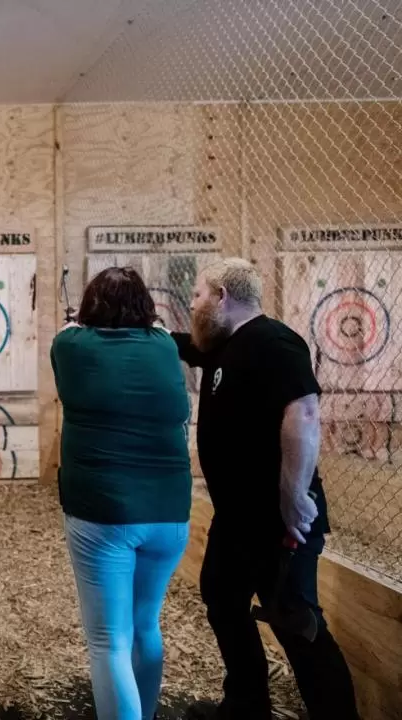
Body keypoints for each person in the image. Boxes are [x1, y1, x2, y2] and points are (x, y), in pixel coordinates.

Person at [169, 258, 360, 720]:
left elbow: (304, 415)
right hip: (238, 520)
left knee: (296, 623)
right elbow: (187, 346)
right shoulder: (225, 346)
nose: (192, 305)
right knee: (221, 596)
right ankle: (246, 704)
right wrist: (134, 326)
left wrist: (294, 497)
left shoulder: (273, 341)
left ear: (221, 296)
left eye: (196, 296)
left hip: (279, 523)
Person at [51, 266, 193, 720]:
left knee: (109, 640)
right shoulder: (166, 345)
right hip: (170, 513)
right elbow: (154, 329)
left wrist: (77, 321)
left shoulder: (70, 344)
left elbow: (71, 332)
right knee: (145, 625)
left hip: (103, 514)